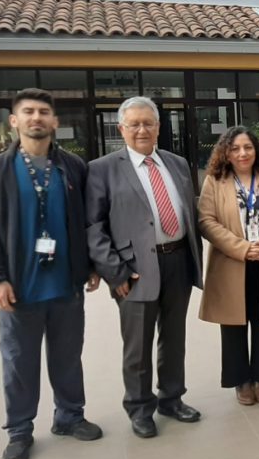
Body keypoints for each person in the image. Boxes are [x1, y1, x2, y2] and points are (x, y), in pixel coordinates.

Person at [0, 88, 102, 459]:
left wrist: (91, 266)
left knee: (68, 357)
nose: (36, 118)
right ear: (14, 121)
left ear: (55, 122)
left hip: (66, 286)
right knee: (19, 362)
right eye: (28, 112)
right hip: (20, 289)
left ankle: (69, 416)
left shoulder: (73, 167)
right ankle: (19, 430)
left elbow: (86, 220)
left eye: (44, 112)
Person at [86, 96, 203, 438]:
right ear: (121, 129)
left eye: (148, 123)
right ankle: (139, 408)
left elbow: (189, 211)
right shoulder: (102, 169)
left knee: (174, 336)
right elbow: (93, 226)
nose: (142, 130)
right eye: (134, 124)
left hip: (178, 260)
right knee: (137, 345)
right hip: (133, 270)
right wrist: (115, 272)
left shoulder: (177, 163)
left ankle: (171, 398)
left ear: (158, 127)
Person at [198, 127, 259, 405]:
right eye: (236, 148)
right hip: (231, 263)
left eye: (248, 147)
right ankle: (241, 381)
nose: (242, 153)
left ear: (256, 150)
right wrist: (242, 248)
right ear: (225, 152)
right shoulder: (215, 182)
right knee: (234, 324)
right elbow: (206, 221)